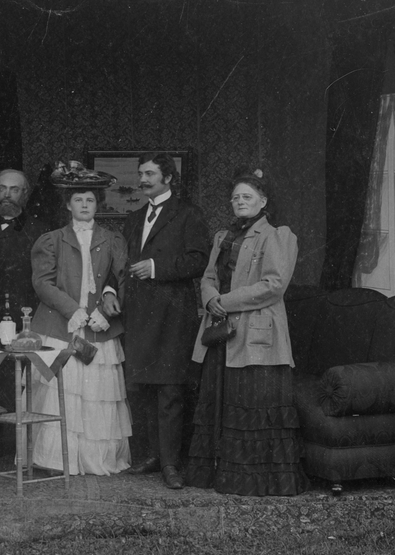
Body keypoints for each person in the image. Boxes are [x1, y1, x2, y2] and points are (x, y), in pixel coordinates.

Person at [185, 168, 308, 496]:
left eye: (247, 197)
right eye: (236, 197)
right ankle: (218, 476)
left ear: (263, 202)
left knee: (251, 406)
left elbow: (273, 286)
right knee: (220, 402)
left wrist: (223, 301)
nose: (240, 201)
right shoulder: (222, 237)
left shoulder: (278, 236)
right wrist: (210, 298)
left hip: (256, 336)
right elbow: (208, 277)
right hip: (221, 331)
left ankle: (254, 481)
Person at [29, 185, 132, 475]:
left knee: (98, 393)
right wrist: (72, 309)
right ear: (68, 205)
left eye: (90, 200)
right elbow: (42, 282)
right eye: (78, 200)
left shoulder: (113, 239)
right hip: (61, 325)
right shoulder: (51, 240)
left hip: (100, 326)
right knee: (62, 390)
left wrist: (106, 311)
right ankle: (55, 459)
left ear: (98, 205)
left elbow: (123, 278)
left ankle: (93, 458)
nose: (84, 205)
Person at [121, 151, 209, 490]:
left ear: (168, 178)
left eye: (150, 174)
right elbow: (125, 263)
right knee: (142, 388)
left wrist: (156, 268)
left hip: (173, 314)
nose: (143, 180)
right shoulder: (134, 218)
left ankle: (172, 463)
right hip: (139, 313)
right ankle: (153, 456)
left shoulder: (188, 214)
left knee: (171, 389)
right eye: (141, 173)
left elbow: (198, 261)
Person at [0, 169, 51, 412]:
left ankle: (18, 433)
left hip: (25, 314)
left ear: (25, 194)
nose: (7, 195)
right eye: (2, 188)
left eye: (14, 189)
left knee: (19, 381)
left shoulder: (40, 231)